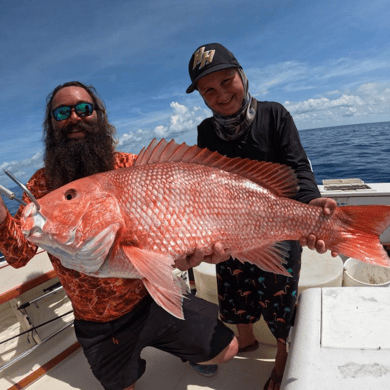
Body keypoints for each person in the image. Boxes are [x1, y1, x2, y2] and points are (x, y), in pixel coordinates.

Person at [0, 81, 239, 390]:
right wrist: (3, 216)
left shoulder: (131, 166)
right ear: (51, 124)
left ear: (99, 116)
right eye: (62, 112)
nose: (74, 117)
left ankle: (186, 349)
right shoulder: (41, 186)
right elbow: (19, 255)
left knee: (228, 348)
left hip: (150, 298)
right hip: (99, 323)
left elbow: (179, 221)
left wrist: (197, 250)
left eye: (84, 109)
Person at [186, 43, 338, 390]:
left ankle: (282, 353)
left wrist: (310, 201)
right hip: (230, 229)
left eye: (227, 81)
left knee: (279, 292)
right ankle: (247, 339)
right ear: (203, 99)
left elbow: (297, 166)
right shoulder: (206, 131)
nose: (221, 94)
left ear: (242, 76)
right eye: (209, 90)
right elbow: (206, 181)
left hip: (276, 226)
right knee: (234, 286)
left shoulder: (274, 114)